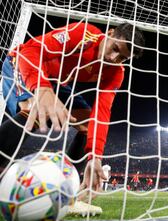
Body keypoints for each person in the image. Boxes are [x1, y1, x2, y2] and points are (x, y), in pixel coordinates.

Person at [0, 21, 145, 215]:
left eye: (122, 58)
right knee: (34, 110)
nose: (113, 58)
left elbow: (101, 114)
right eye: (115, 48)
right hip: (22, 62)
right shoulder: (84, 35)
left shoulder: (115, 73)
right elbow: (32, 50)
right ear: (109, 33)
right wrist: (41, 87)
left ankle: (68, 197)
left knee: (86, 125)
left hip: (55, 81)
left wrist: (95, 157)